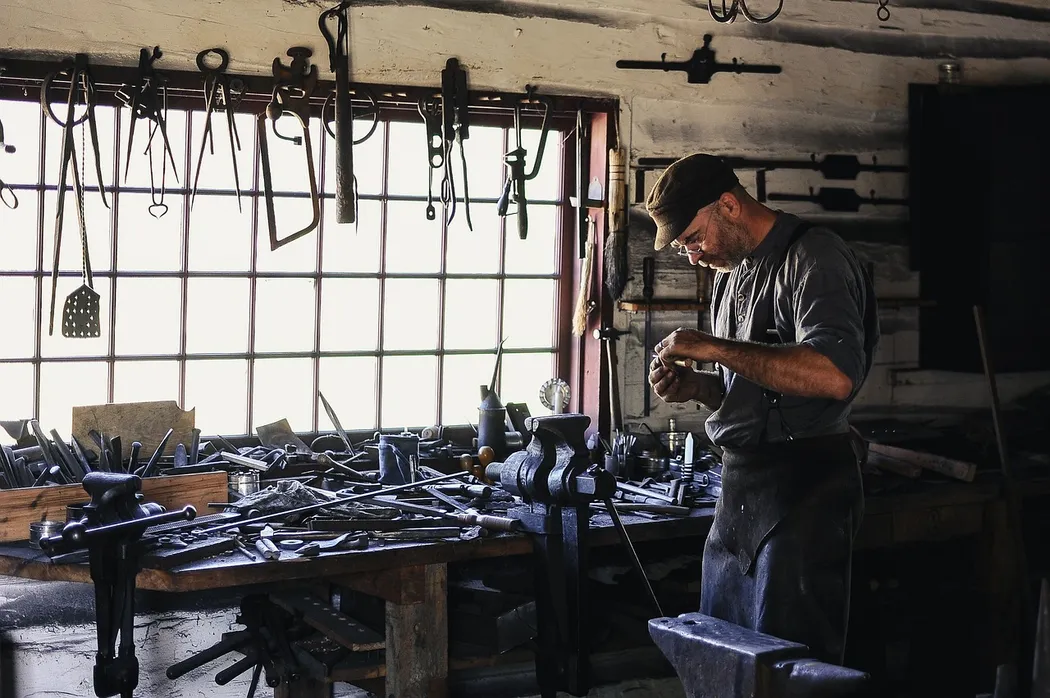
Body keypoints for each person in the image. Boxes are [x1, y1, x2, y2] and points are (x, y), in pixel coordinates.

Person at [644, 153, 879, 665]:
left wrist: (716, 347)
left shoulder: (814, 257)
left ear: (728, 205)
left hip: (805, 489)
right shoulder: (732, 277)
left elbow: (833, 376)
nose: (691, 256)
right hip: (742, 491)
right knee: (725, 657)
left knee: (787, 667)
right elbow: (753, 390)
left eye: (693, 238)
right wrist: (698, 387)